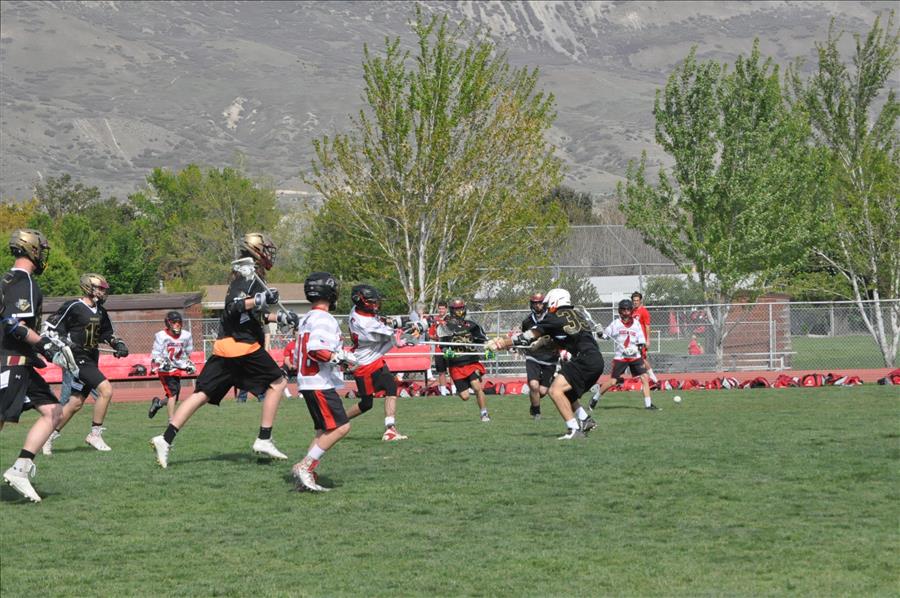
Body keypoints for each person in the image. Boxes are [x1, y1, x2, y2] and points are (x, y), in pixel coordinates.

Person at [150, 232, 296, 468]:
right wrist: (260, 298)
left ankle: (165, 439)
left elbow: (253, 315)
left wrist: (280, 317)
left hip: (226, 348)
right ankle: (264, 438)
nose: (269, 254)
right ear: (256, 250)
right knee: (278, 383)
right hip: (243, 347)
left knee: (201, 394)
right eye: (266, 249)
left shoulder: (248, 277)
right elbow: (233, 307)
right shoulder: (247, 277)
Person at [488, 288, 601, 439]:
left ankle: (574, 429)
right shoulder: (578, 315)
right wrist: (543, 343)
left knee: (554, 391)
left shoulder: (554, 317)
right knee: (567, 392)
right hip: (595, 359)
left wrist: (502, 343)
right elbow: (565, 338)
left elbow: (527, 336)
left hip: (583, 359)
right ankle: (585, 420)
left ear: (554, 301)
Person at [1, 229, 62, 502]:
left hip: (19, 361)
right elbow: (14, 325)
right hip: (10, 362)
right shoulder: (23, 280)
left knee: (54, 411)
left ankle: (21, 469)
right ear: (32, 250)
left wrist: (36, 351)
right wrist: (45, 345)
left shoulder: (6, 279)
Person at [40, 272, 129, 453]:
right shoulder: (73, 306)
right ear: (89, 287)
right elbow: (50, 329)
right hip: (77, 358)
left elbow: (106, 334)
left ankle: (48, 436)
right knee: (106, 390)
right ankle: (95, 434)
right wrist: (65, 343)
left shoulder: (101, 311)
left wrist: (117, 344)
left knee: (75, 403)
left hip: (91, 357)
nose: (103, 292)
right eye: (100, 288)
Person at [292, 272, 357, 492]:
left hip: (309, 381)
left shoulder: (307, 318)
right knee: (341, 427)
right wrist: (340, 358)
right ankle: (305, 466)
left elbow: (302, 354)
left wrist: (340, 360)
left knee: (323, 431)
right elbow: (316, 350)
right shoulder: (324, 318)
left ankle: (304, 473)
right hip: (318, 382)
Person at [346, 284, 414, 441]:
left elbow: (384, 327)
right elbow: (394, 337)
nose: (375, 305)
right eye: (371, 302)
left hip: (372, 358)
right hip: (364, 363)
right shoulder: (365, 324)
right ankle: (338, 420)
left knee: (391, 386)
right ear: (360, 301)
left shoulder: (356, 311)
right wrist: (411, 333)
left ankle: (390, 429)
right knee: (366, 403)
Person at [591, 299, 658, 411]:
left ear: (631, 311)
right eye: (623, 310)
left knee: (644, 377)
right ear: (620, 311)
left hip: (634, 355)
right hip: (621, 357)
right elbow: (605, 336)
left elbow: (641, 341)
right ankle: (595, 398)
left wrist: (636, 349)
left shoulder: (636, 323)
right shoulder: (616, 323)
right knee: (613, 381)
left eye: (628, 309)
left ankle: (648, 405)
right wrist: (600, 333)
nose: (626, 312)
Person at [439, 298, 491, 422]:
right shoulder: (446, 326)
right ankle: (464, 387)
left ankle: (484, 413)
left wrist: (489, 349)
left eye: (461, 308)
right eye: (456, 309)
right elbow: (442, 345)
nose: (459, 311)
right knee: (465, 396)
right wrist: (446, 351)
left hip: (471, 362)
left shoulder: (471, 325)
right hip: (456, 365)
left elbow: (483, 340)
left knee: (476, 386)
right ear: (452, 310)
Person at [148, 311, 195, 421]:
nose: (177, 325)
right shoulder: (161, 335)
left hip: (177, 367)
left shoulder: (186, 335)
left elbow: (187, 352)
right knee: (172, 393)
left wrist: (188, 364)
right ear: (168, 323)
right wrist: (161, 363)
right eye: (174, 322)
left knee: (174, 397)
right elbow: (156, 354)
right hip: (165, 368)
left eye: (179, 322)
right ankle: (172, 421)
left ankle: (158, 403)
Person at [520, 292, 559, 421]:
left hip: (550, 357)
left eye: (540, 303)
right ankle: (536, 413)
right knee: (533, 385)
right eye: (535, 303)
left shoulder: (552, 318)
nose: (538, 305)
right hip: (533, 356)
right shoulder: (527, 321)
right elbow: (524, 337)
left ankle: (533, 404)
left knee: (542, 391)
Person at [630, 291, 659, 383]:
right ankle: (639, 378)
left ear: (640, 301)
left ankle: (653, 377)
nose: (635, 302)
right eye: (634, 300)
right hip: (633, 339)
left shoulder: (644, 311)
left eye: (637, 300)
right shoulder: (631, 311)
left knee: (642, 359)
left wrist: (648, 340)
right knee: (633, 358)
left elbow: (647, 326)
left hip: (641, 340)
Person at [428, 301, 453, 395]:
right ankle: (443, 392)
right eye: (440, 308)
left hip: (449, 348)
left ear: (446, 309)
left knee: (452, 370)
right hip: (439, 349)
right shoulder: (435, 320)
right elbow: (430, 334)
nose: (441, 310)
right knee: (441, 371)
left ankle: (454, 391)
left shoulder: (451, 319)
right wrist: (437, 337)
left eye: (443, 308)